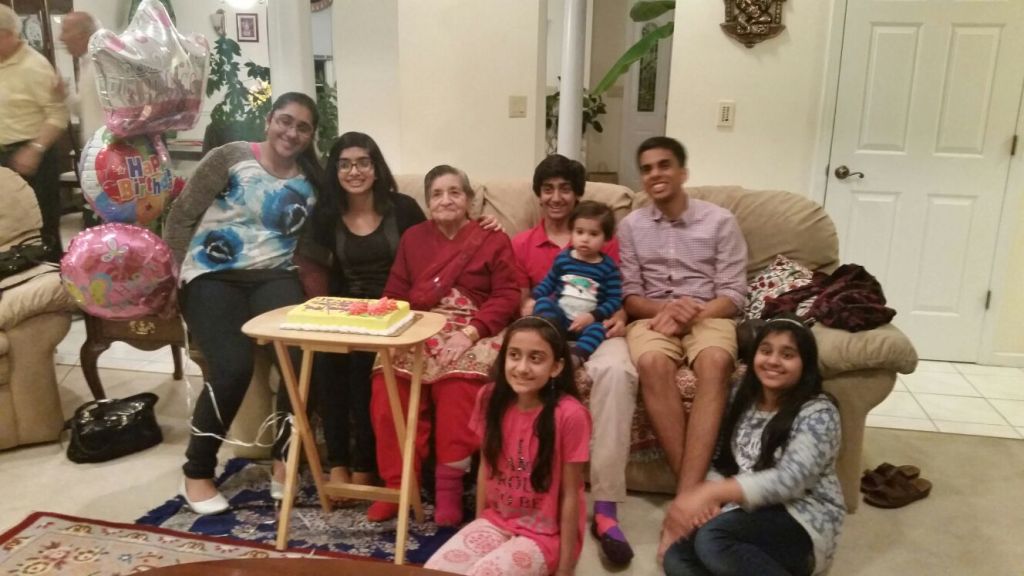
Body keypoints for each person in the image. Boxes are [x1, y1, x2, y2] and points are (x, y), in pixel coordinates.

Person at [163, 92, 323, 514]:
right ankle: (197, 471)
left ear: (311, 136)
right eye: (285, 120)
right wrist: (173, 276)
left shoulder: (312, 178)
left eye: (303, 127)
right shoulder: (230, 157)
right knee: (233, 367)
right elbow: (180, 216)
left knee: (303, 361)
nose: (291, 132)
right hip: (211, 275)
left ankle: (285, 460)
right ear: (269, 120)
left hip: (274, 276)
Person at [367, 164, 520, 526]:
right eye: (437, 194)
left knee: (457, 385)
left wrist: (471, 333)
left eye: (454, 192)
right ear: (427, 202)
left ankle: (449, 490)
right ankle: (399, 486)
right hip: (420, 324)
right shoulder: (413, 239)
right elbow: (396, 291)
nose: (446, 200)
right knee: (387, 380)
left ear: (469, 199)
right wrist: (392, 324)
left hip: (474, 326)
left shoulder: (491, 238)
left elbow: (508, 295)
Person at [618, 136, 748, 555]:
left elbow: (734, 293)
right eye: (647, 168)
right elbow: (630, 296)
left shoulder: (720, 221)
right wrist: (667, 310)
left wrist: (695, 312)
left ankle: (683, 505)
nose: (655, 174)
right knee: (653, 364)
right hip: (654, 316)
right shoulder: (631, 226)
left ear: (683, 172)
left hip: (709, 313)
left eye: (664, 165)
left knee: (715, 361)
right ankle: (695, 497)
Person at [512, 154, 637, 565]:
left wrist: (613, 316)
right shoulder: (522, 244)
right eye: (548, 189)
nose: (556, 197)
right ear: (538, 195)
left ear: (578, 194)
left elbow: (616, 295)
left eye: (565, 188)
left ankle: (605, 510)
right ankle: (530, 494)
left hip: (595, 328)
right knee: (522, 366)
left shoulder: (604, 240)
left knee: (618, 372)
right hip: (547, 330)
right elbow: (525, 299)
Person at [661, 315, 845, 576]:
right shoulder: (741, 396)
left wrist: (713, 493)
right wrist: (714, 498)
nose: (773, 361)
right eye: (766, 351)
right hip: (745, 514)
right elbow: (722, 460)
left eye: (787, 355)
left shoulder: (818, 413)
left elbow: (792, 479)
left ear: (805, 363)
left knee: (713, 540)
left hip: (801, 518)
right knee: (677, 556)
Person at [302, 132, 427, 492]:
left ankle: (365, 463)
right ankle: (338, 461)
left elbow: (431, 249)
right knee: (325, 361)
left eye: (362, 163)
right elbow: (310, 266)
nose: (354, 171)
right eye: (344, 164)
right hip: (346, 311)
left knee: (363, 368)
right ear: (335, 171)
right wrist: (323, 316)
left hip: (395, 309)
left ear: (376, 167)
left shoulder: (403, 208)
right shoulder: (325, 214)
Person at [425, 316, 591, 576]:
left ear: (556, 367)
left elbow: (572, 494)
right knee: (434, 570)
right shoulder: (490, 398)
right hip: (496, 521)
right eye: (514, 355)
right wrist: (478, 525)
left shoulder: (571, 415)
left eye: (536, 358)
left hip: (545, 535)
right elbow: (486, 468)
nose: (522, 368)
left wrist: (565, 569)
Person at [0, 4, 70, 252]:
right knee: (9, 228)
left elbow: (58, 114)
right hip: (4, 158)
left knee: (42, 227)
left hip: (33, 157)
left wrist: (35, 149)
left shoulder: (35, 66)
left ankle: (52, 272)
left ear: (6, 35)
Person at [531, 200, 621, 365]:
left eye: (593, 234)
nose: (585, 239)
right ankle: (552, 342)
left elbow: (614, 300)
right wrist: (534, 297)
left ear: (606, 238)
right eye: (579, 232)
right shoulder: (563, 259)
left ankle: (577, 355)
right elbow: (549, 282)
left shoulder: (609, 268)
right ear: (571, 232)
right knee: (543, 303)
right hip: (560, 319)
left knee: (600, 329)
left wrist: (593, 316)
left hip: (587, 322)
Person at [58, 11, 102, 147]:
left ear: (82, 35)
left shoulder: (103, 63)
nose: (61, 38)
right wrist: (66, 93)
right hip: (95, 149)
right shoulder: (85, 63)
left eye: (65, 31)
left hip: (111, 149)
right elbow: (84, 110)